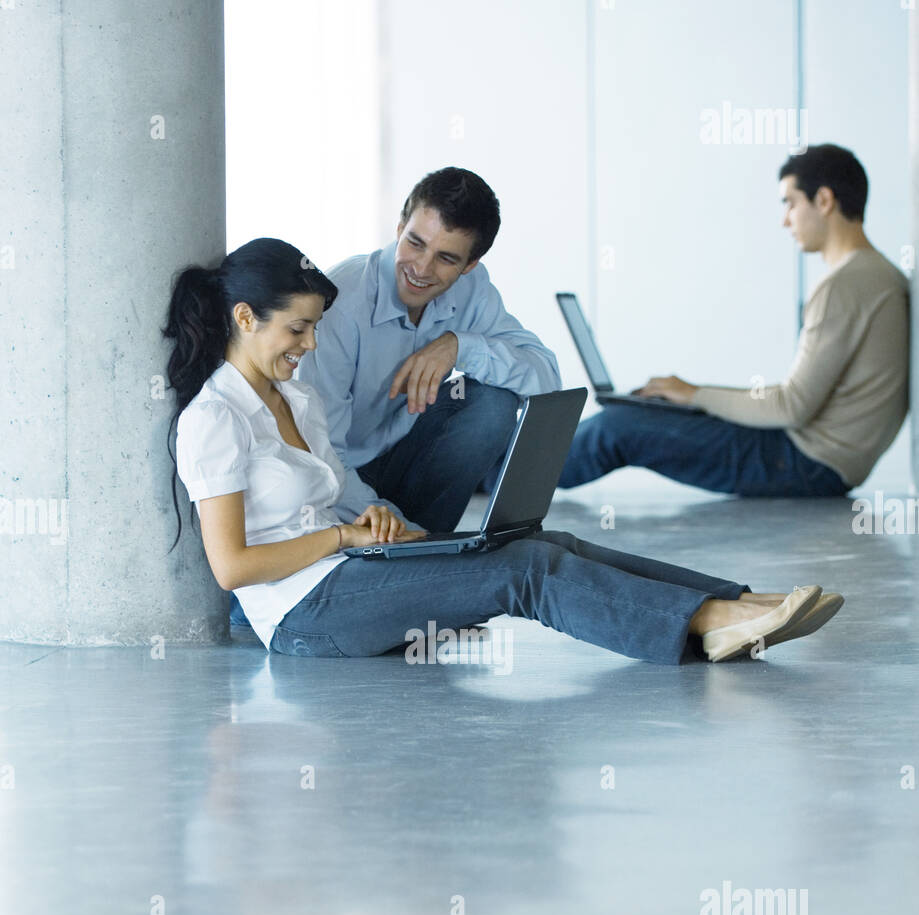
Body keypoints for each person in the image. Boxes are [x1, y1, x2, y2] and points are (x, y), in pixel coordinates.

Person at [162, 237, 844, 667]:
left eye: (314, 328)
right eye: (298, 329)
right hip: (304, 617)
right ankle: (709, 624)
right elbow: (233, 568)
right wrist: (343, 533)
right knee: (526, 573)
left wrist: (407, 533)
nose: (310, 345)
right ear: (245, 318)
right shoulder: (215, 420)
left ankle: (739, 601)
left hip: (353, 569)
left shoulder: (297, 401)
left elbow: (347, 494)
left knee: (544, 541)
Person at [559, 144, 910, 498]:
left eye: (789, 202)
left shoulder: (844, 286)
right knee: (666, 415)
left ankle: (509, 476)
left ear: (823, 200)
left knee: (618, 427)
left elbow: (792, 407)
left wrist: (696, 394)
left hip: (806, 462)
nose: (784, 219)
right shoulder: (879, 276)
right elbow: (798, 398)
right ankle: (511, 465)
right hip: (819, 459)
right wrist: (693, 397)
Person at [297, 166, 562, 529]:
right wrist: (397, 528)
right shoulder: (342, 303)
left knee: (493, 404)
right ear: (399, 227)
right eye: (415, 243)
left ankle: (428, 545)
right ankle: (419, 547)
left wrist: (459, 347)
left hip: (405, 460)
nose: (421, 268)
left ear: (470, 265)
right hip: (335, 480)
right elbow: (320, 456)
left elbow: (545, 378)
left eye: (446, 258)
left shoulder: (472, 290)